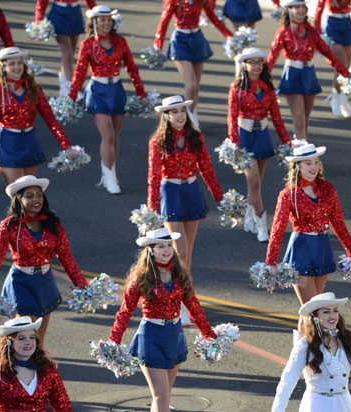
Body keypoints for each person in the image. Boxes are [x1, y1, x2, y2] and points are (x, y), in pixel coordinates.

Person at [109, 228, 218, 412]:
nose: (166, 249)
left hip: (174, 335)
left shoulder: (180, 275)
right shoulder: (141, 276)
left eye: (168, 245)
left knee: (164, 394)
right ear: (150, 250)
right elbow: (125, 311)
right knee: (160, 395)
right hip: (151, 336)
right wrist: (114, 340)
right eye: (160, 246)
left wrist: (209, 333)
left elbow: (194, 305)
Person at [0, 176, 88, 346]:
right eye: (29, 196)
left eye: (38, 195)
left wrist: (82, 285)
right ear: (19, 199)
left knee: (39, 339)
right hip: (21, 283)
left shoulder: (53, 223)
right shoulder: (9, 225)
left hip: (44, 282)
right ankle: (13, 366)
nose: (36, 200)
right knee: (26, 334)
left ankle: (37, 369)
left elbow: (66, 256)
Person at [265, 143, 351, 332]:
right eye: (308, 163)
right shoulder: (288, 194)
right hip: (301, 249)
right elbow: (277, 228)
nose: (313, 167)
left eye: (316, 162)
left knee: (312, 310)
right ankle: (305, 356)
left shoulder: (328, 189)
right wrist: (271, 261)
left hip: (322, 247)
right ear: (297, 166)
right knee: (312, 309)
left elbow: (338, 223)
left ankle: (305, 355)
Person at [69, 4, 148, 195]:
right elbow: (79, 71)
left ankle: (109, 173)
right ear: (94, 22)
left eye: (108, 19)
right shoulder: (88, 44)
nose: (106, 23)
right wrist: (72, 96)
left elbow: (131, 67)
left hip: (116, 90)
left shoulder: (120, 41)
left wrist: (141, 92)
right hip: (97, 90)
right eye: (102, 20)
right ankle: (109, 177)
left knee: (115, 137)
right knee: (108, 136)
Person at [0, 47, 76, 186]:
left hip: (30, 141)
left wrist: (66, 146)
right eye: (11, 64)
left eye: (19, 63)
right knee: (17, 192)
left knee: (28, 190)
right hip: (7, 143)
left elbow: (50, 119)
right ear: (3, 67)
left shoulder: (33, 87)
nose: (17, 67)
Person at [148, 95, 224, 276]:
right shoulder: (158, 142)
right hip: (171, 193)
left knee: (187, 251)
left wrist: (219, 196)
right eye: (175, 112)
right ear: (166, 115)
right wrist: (152, 207)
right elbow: (154, 175)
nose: (180, 115)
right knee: (179, 250)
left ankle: (184, 292)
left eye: (183, 110)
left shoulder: (195, 137)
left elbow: (206, 168)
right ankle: (178, 291)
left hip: (192, 191)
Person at [227, 47, 292, 242]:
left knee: (256, 184)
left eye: (259, 62)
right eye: (252, 62)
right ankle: (262, 226)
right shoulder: (237, 88)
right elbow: (231, 117)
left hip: (262, 136)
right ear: (244, 65)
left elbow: (277, 119)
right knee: (254, 182)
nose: (256, 65)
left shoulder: (268, 88)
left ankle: (248, 216)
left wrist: (287, 144)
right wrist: (235, 145)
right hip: (245, 137)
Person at [266, 0, 351, 140]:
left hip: (309, 75)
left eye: (303, 7)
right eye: (296, 7)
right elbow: (271, 58)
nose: (301, 10)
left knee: (305, 119)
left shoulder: (310, 30)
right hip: (292, 75)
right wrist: (261, 80)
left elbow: (327, 53)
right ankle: (300, 154)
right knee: (298, 119)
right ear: (288, 10)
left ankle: (303, 153)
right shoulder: (283, 32)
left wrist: (345, 73)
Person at [154, 0, 233, 129]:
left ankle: (193, 117)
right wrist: (157, 47)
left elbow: (212, 17)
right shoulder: (173, 2)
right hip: (180, 41)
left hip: (197, 39)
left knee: (195, 87)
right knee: (190, 84)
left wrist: (229, 36)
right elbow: (163, 23)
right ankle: (188, 123)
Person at [33, 0, 98, 97]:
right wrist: (39, 19)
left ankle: (64, 91)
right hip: (59, 13)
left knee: (70, 55)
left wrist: (97, 13)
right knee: (67, 55)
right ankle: (72, 91)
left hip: (75, 13)